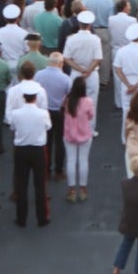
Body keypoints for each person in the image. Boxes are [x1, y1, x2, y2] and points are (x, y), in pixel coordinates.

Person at [9, 82, 52, 228]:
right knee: (40, 185)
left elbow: (12, 126)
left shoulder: (16, 113)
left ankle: (21, 219)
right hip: (38, 150)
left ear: (24, 97)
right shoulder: (43, 113)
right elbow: (48, 127)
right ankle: (42, 218)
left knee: (21, 185)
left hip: (21, 151)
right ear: (35, 97)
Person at [61, 75, 96, 203]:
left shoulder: (67, 100)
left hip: (69, 135)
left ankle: (71, 190)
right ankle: (82, 189)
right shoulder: (88, 101)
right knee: (83, 161)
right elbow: (91, 116)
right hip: (85, 135)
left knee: (70, 161)